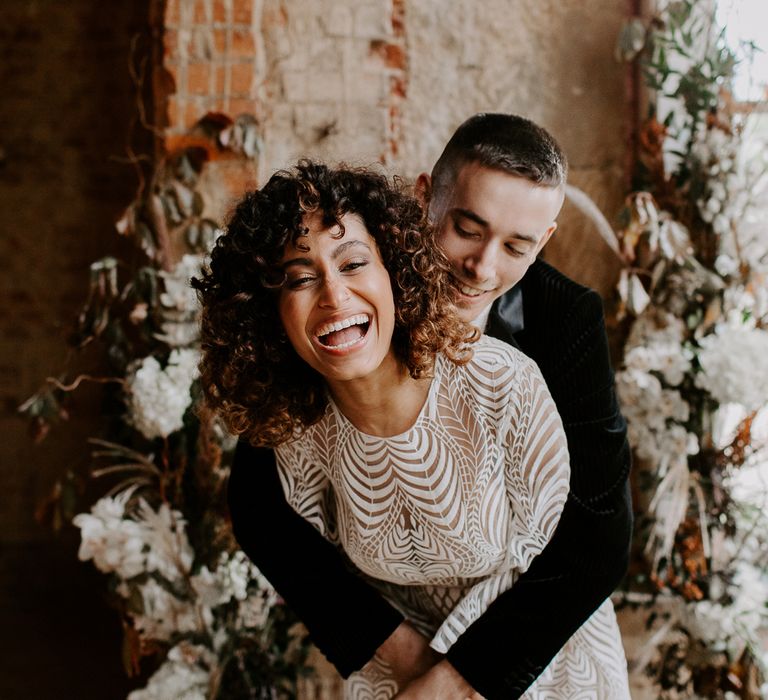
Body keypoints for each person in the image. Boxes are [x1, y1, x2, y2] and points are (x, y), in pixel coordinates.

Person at [226, 114, 633, 699]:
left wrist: (465, 678)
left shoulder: (564, 322)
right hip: (396, 642)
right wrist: (392, 650)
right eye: (467, 230)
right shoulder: (350, 299)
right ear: (424, 200)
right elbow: (260, 508)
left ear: (544, 240)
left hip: (536, 639)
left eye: (517, 246)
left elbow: (599, 529)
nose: (483, 267)